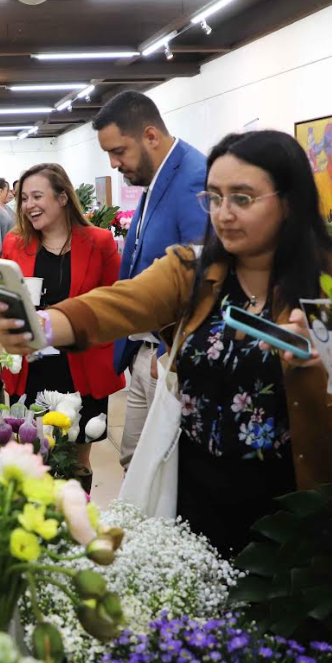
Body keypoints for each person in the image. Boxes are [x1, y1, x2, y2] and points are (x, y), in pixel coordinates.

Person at [0, 130, 332, 555]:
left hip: (295, 500)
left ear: (289, 201)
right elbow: (122, 302)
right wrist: (42, 324)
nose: (223, 213)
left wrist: (325, 362)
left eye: (242, 198)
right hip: (197, 493)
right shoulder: (193, 269)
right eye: (214, 198)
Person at [92, 91, 209, 468]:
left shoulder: (193, 178)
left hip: (167, 356)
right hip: (144, 352)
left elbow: (205, 276)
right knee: (133, 465)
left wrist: (173, 353)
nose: (113, 164)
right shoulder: (158, 179)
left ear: (151, 137)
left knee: (156, 473)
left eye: (119, 151)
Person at [0, 163, 125, 484]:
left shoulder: (99, 242)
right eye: (24, 198)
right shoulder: (15, 244)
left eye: (37, 196)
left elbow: (117, 306)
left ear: (63, 198)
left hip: (82, 364)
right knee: (35, 456)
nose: (29, 205)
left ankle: (78, 521)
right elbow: (3, 302)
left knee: (77, 460)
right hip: (33, 366)